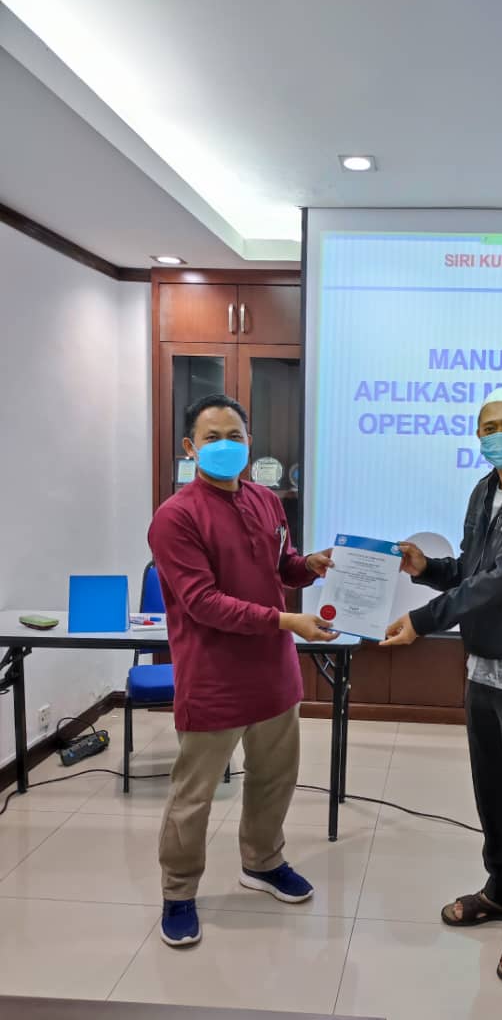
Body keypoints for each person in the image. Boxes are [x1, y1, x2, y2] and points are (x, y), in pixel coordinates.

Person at [382, 386, 502, 984]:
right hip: (484, 666)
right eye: (488, 426)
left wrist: (423, 620)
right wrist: (428, 570)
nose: (499, 435)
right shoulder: (484, 490)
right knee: (493, 791)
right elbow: (474, 570)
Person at [148, 394, 337, 947]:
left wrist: (310, 565)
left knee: (275, 778)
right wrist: (286, 620)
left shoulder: (265, 499)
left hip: (274, 671)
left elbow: (281, 567)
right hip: (214, 677)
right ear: (191, 448)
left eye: (235, 436)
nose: (226, 446)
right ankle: (178, 891)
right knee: (194, 794)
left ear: (250, 443)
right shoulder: (175, 517)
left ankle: (262, 862)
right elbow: (203, 603)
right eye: (213, 438)